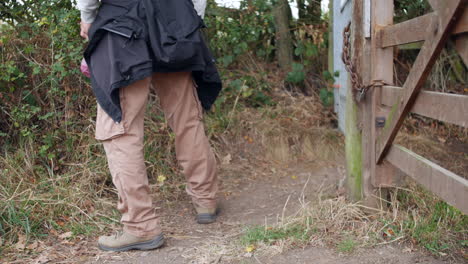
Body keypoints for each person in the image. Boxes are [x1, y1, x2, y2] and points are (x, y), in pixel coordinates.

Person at [77, 0, 220, 252]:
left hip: (121, 22)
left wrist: (87, 16)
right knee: (186, 119)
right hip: (174, 22)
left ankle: (140, 226)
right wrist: (186, 17)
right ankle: (206, 199)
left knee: (120, 127)